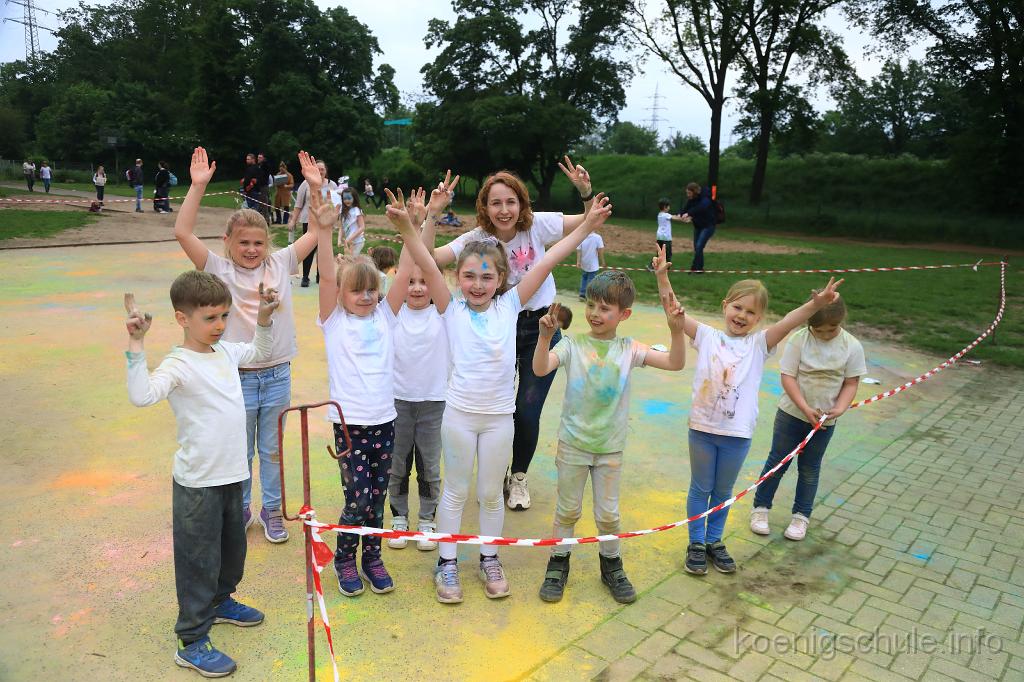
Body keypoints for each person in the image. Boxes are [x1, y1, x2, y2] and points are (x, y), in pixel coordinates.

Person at [399, 177, 614, 603]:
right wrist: (414, 223)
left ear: (502, 279)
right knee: (455, 492)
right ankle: (446, 564)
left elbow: (550, 257)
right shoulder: (450, 307)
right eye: (468, 276)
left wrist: (588, 225)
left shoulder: (510, 305)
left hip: (498, 421)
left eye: (486, 276)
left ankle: (489, 558)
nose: (477, 284)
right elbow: (423, 259)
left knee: (488, 495)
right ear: (456, 278)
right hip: (459, 419)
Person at [124, 272, 279, 677]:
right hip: (197, 485)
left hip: (232, 475)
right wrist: (137, 343)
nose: (220, 325)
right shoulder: (179, 364)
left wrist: (263, 318)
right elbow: (142, 395)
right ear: (182, 318)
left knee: (232, 551)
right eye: (210, 318)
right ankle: (191, 639)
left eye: (224, 316)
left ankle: (220, 602)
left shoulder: (224, 352)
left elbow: (260, 350)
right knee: (198, 561)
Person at [655, 245, 844, 576]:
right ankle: (696, 543)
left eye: (751, 313)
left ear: (759, 319)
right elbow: (673, 309)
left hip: (737, 435)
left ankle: (714, 541)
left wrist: (816, 305)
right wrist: (662, 277)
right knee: (700, 488)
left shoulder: (760, 345)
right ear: (724, 305)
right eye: (737, 307)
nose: (742, 316)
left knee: (723, 491)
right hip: (702, 429)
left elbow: (789, 322)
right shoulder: (706, 336)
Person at [430, 156, 598, 512]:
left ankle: (518, 475)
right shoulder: (477, 239)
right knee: (497, 408)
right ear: (485, 207)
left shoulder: (538, 225)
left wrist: (585, 193)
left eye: (511, 201)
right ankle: (489, 473)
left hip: (541, 328)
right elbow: (430, 258)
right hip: (497, 329)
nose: (504, 210)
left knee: (527, 410)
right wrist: (430, 215)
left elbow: (588, 221)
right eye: (496, 203)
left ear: (521, 203)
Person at [174, 146, 324, 546]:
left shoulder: (282, 263)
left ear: (268, 243)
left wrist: (315, 188)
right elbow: (183, 232)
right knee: (238, 452)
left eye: (258, 242)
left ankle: (272, 509)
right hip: (235, 377)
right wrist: (197, 186)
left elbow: (316, 231)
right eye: (244, 242)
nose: (252, 249)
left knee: (272, 450)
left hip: (276, 375)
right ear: (228, 242)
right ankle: (240, 507)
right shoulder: (218, 269)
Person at [533, 268, 686, 605]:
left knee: (608, 515)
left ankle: (611, 566)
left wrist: (676, 331)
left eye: (605, 308)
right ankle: (558, 563)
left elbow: (675, 363)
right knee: (567, 510)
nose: (595, 313)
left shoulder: (629, 349)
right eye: (591, 305)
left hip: (610, 449)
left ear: (624, 315)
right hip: (573, 445)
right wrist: (545, 338)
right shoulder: (573, 344)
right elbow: (540, 368)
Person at [308, 164, 415, 598]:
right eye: (358, 291)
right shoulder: (334, 321)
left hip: (384, 422)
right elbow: (327, 275)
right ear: (342, 294)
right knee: (357, 499)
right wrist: (323, 232)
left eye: (372, 289)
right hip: (350, 426)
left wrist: (412, 228)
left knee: (377, 499)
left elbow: (405, 272)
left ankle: (373, 557)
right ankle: (345, 559)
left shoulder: (385, 316)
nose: (367, 296)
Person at [750, 294, 865, 541]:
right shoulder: (799, 340)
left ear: (841, 321)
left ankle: (801, 517)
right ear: (809, 324)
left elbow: (851, 382)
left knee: (810, 469)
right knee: (777, 462)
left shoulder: (852, 346)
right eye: (818, 330)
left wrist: (840, 408)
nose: (824, 335)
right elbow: (788, 376)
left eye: (831, 329)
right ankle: (760, 509)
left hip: (824, 422)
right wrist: (803, 407)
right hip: (791, 414)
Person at [386, 182, 455, 552]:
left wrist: (431, 218)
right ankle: (399, 516)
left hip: (433, 403)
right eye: (409, 282)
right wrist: (410, 225)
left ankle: (428, 519)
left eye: (423, 281)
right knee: (397, 465)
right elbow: (409, 263)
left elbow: (425, 259)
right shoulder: (392, 313)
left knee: (429, 465)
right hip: (396, 402)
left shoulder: (444, 314)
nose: (416, 287)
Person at [287, 158, 338, 287]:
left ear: (326, 171)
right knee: (308, 249)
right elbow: (298, 204)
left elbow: (337, 204)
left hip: (325, 222)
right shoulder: (306, 184)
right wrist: (293, 220)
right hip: (308, 220)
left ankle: (320, 275)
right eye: (318, 169)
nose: (320, 171)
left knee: (323, 249)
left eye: (322, 169)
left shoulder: (332, 185)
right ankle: (305, 276)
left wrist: (335, 220)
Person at [680, 182, 715, 272]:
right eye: (687, 193)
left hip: (708, 226)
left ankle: (695, 267)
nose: (688, 195)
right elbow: (685, 209)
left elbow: (702, 207)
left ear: (694, 192)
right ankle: (699, 268)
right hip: (698, 226)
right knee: (697, 248)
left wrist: (689, 213)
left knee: (699, 246)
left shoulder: (705, 198)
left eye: (689, 193)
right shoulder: (691, 200)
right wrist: (681, 215)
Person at [654, 198, 687, 267]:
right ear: (665, 207)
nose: (669, 207)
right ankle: (666, 268)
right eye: (668, 206)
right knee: (668, 254)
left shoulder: (659, 214)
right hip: (666, 238)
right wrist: (683, 218)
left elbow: (672, 216)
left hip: (659, 237)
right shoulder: (666, 215)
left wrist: (678, 216)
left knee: (659, 253)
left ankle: (653, 266)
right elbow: (674, 218)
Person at [575, 232, 605, 301]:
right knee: (591, 280)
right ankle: (588, 296)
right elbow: (600, 250)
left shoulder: (581, 236)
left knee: (584, 278)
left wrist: (578, 261)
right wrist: (602, 261)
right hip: (593, 264)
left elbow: (579, 250)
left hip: (584, 263)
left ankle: (582, 294)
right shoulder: (597, 237)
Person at [339, 189, 366, 253]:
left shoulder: (357, 210)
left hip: (357, 241)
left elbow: (362, 227)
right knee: (347, 257)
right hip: (348, 242)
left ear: (354, 198)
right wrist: (339, 239)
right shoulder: (343, 211)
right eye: (344, 199)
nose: (347, 200)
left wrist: (349, 239)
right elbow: (341, 227)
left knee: (351, 258)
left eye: (349, 198)